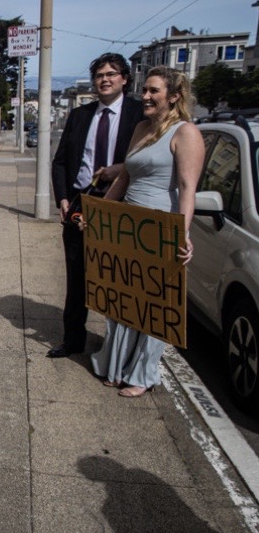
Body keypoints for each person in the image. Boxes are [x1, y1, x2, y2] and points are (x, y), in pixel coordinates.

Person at [89, 66, 204, 397]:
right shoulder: (140, 128)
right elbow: (124, 179)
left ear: (174, 96)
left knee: (153, 307)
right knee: (122, 301)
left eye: (154, 91)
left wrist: (181, 234)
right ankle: (114, 365)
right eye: (146, 90)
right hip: (129, 228)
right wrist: (99, 216)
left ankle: (141, 374)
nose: (146, 96)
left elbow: (186, 188)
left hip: (158, 227)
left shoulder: (186, 134)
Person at [48, 52, 144, 358]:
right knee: (77, 277)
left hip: (121, 207)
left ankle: (116, 350)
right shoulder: (80, 116)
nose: (105, 80)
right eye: (100, 75)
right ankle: (73, 340)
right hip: (81, 204)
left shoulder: (140, 115)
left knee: (118, 279)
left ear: (124, 79)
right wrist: (62, 198)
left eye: (111, 74)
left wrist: (120, 167)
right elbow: (60, 162)